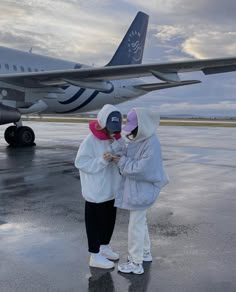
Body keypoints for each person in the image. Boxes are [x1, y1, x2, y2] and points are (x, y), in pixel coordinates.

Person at [112, 108, 169, 274]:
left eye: (133, 128)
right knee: (140, 222)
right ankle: (145, 253)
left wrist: (121, 161)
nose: (131, 132)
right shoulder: (141, 139)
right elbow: (131, 158)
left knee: (135, 226)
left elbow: (142, 169)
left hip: (142, 191)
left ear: (143, 125)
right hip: (139, 190)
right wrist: (118, 151)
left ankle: (135, 263)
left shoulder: (151, 143)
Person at [74, 104, 123, 269]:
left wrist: (117, 153)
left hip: (111, 189)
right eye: (110, 128)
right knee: (94, 222)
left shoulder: (115, 138)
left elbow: (123, 152)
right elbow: (80, 162)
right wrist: (102, 160)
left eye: (115, 128)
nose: (112, 131)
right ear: (102, 124)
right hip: (95, 191)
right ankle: (94, 255)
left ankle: (104, 247)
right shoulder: (90, 141)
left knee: (109, 220)